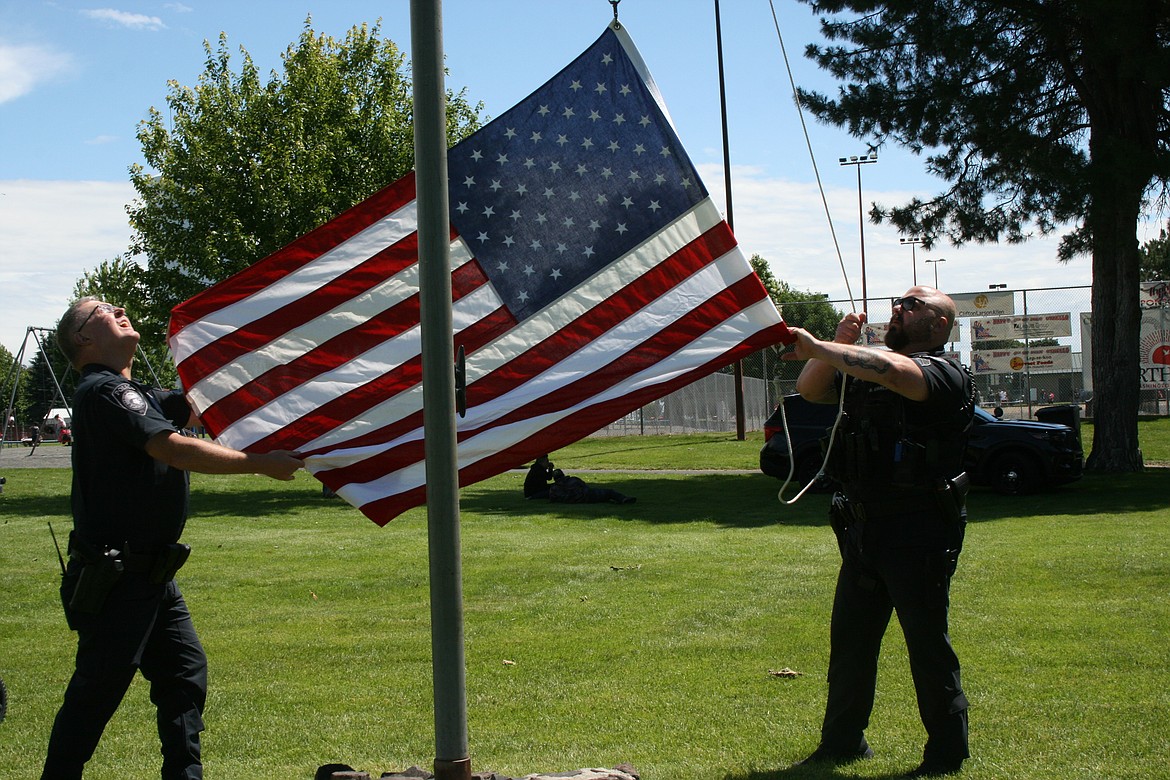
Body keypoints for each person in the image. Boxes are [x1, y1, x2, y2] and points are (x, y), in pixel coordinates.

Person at [42, 298, 304, 780]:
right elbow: (171, 446)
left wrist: (261, 350)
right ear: (83, 337)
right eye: (102, 308)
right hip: (117, 579)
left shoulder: (132, 391)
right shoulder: (102, 391)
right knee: (95, 696)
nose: (120, 307)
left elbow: (195, 402)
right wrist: (259, 464)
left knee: (184, 678)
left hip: (154, 576)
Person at [782, 286, 975, 778]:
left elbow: (899, 373)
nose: (898, 309)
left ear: (938, 325)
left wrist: (828, 349)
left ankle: (945, 755)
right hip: (865, 532)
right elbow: (809, 389)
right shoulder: (867, 367)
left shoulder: (942, 372)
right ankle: (843, 743)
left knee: (927, 643)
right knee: (851, 641)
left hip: (920, 530)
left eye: (912, 305)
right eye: (897, 302)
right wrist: (835, 342)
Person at [523, 454, 635, 504]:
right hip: (586, 495)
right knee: (608, 493)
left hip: (578, 499)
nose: (548, 462)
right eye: (546, 461)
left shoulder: (556, 490)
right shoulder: (572, 480)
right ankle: (622, 499)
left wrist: (550, 469)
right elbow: (583, 485)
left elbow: (548, 490)